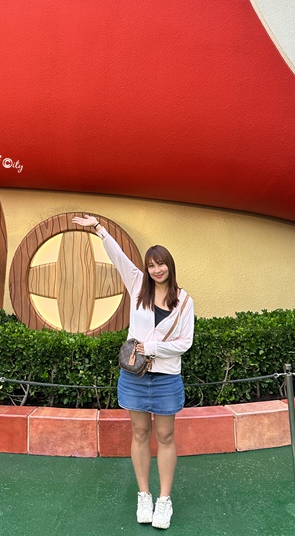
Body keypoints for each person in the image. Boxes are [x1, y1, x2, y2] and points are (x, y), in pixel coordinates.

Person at [72, 215, 194, 530]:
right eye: (152, 265)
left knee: (165, 436)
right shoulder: (137, 284)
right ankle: (144, 494)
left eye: (161, 264)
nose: (156, 270)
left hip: (166, 377)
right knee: (139, 433)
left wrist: (149, 348)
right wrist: (98, 227)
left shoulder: (184, 302)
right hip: (135, 376)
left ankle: (164, 500)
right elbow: (118, 257)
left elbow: (185, 342)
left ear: (170, 266)